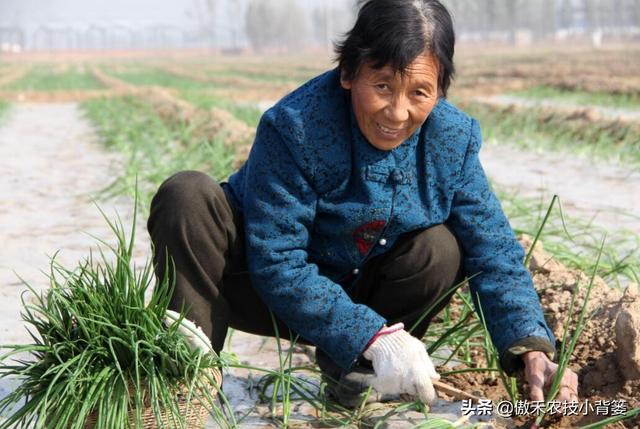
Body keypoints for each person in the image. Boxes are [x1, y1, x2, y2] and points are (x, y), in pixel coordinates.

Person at [147, 0, 579, 408]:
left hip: (365, 288)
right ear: (349, 72)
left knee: (440, 248)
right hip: (261, 286)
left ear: (441, 89)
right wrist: (371, 333)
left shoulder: (452, 139)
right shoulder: (296, 126)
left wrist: (531, 348)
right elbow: (277, 261)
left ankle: (355, 373)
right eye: (382, 86)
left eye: (419, 93)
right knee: (187, 195)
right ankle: (186, 377)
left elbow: (494, 248)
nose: (396, 112)